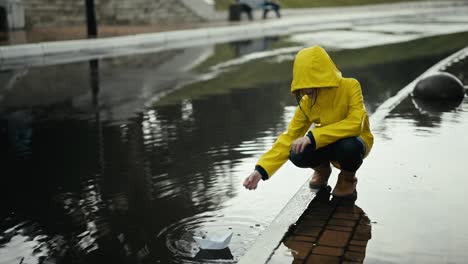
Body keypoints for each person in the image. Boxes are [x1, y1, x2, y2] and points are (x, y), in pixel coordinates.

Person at [243, 45, 374, 198]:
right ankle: (322, 170)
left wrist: (312, 137)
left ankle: (347, 178)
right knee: (296, 151)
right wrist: (260, 171)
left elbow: (355, 123)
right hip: (326, 143)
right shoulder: (307, 102)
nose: (305, 91)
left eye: (310, 86)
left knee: (349, 146)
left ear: (322, 76)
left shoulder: (351, 86)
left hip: (355, 142)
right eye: (302, 85)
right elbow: (289, 137)